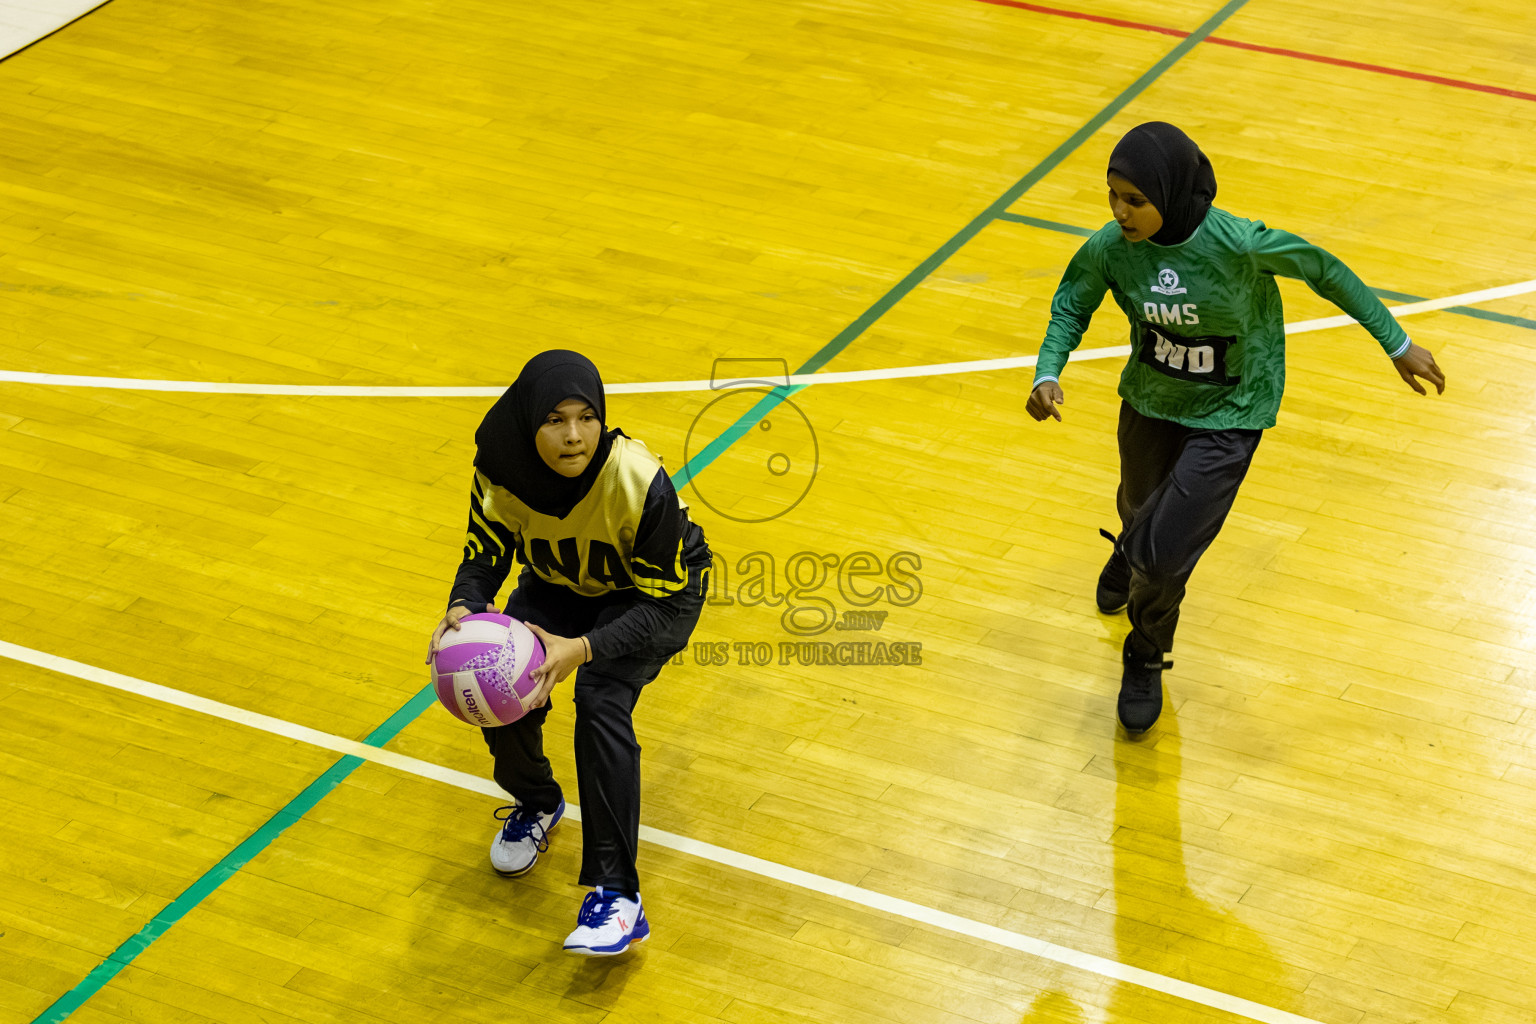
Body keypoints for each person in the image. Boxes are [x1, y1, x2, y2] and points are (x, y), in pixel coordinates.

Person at [1025, 121, 1445, 735]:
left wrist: (1397, 341)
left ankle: (1143, 654)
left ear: (1169, 193)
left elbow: (1324, 269)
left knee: (1166, 559)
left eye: (1135, 200)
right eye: (1112, 195)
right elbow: (1071, 304)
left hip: (1231, 414)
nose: (1120, 211)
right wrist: (1046, 372)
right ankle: (1129, 547)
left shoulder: (1241, 245)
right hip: (1150, 401)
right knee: (1141, 510)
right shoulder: (1111, 249)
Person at [427, 349, 711, 954]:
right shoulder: (501, 468)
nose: (574, 435)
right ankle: (537, 801)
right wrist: (463, 607)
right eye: (555, 419)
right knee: (492, 678)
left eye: (587, 417)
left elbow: (662, 603)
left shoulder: (638, 480)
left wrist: (582, 648)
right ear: (531, 422)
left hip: (652, 596)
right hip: (561, 585)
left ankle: (618, 896)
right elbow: (485, 555)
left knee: (601, 700)